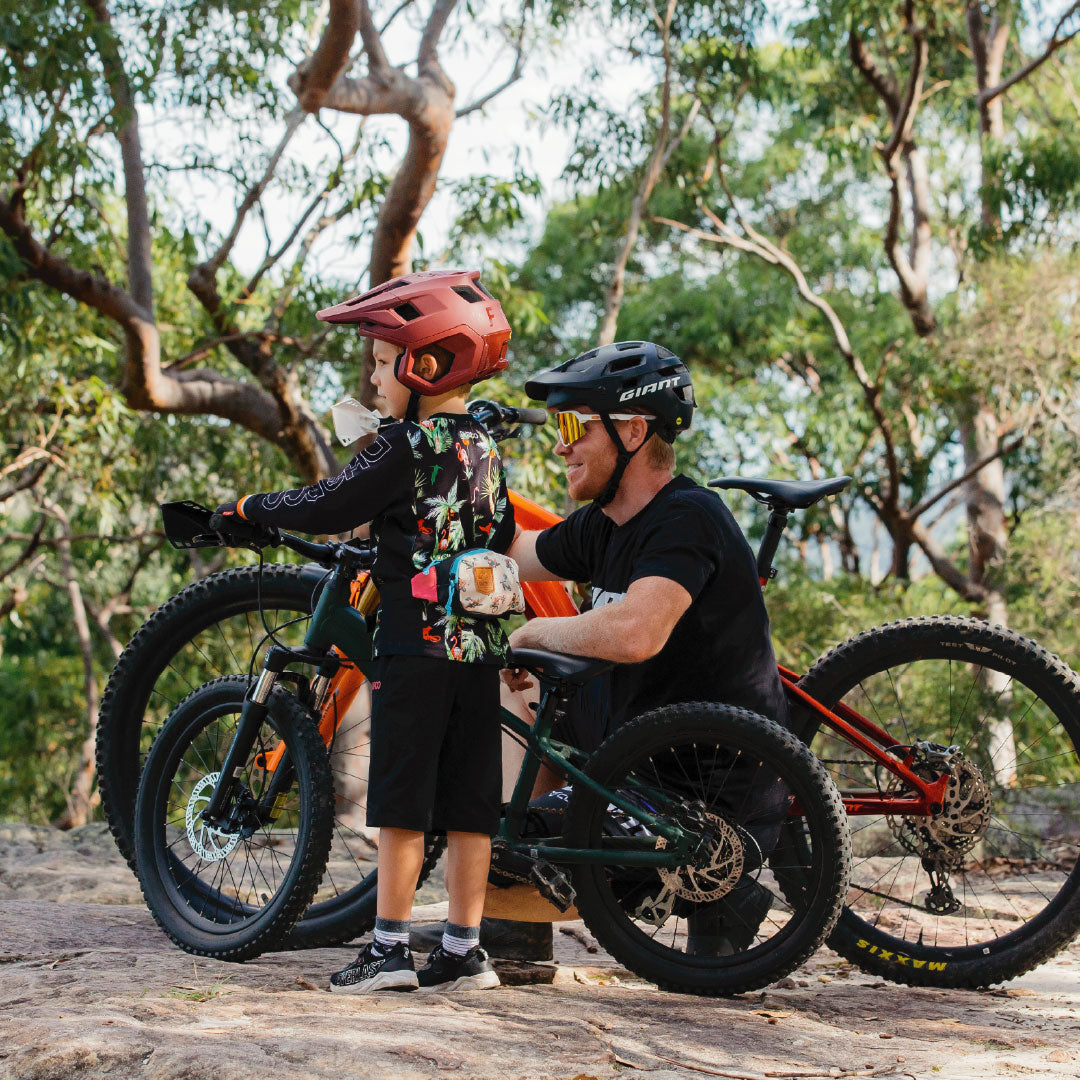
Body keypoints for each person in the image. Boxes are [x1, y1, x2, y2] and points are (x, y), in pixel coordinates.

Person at [215, 269, 514, 993]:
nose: (376, 381)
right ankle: (465, 949)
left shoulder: (402, 446)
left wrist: (254, 508)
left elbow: (328, 502)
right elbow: (499, 536)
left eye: (383, 364)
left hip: (414, 644)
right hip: (480, 645)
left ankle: (387, 951)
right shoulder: (485, 446)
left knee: (402, 797)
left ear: (427, 365)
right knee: (472, 799)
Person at [499, 340, 790, 955]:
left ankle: (727, 895)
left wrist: (531, 634)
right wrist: (435, 505)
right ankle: (514, 932)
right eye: (557, 426)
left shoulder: (687, 517)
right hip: (632, 759)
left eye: (573, 424)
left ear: (633, 430)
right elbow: (517, 555)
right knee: (503, 702)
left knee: (522, 846)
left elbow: (637, 631)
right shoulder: (603, 524)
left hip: (702, 791)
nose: (560, 444)